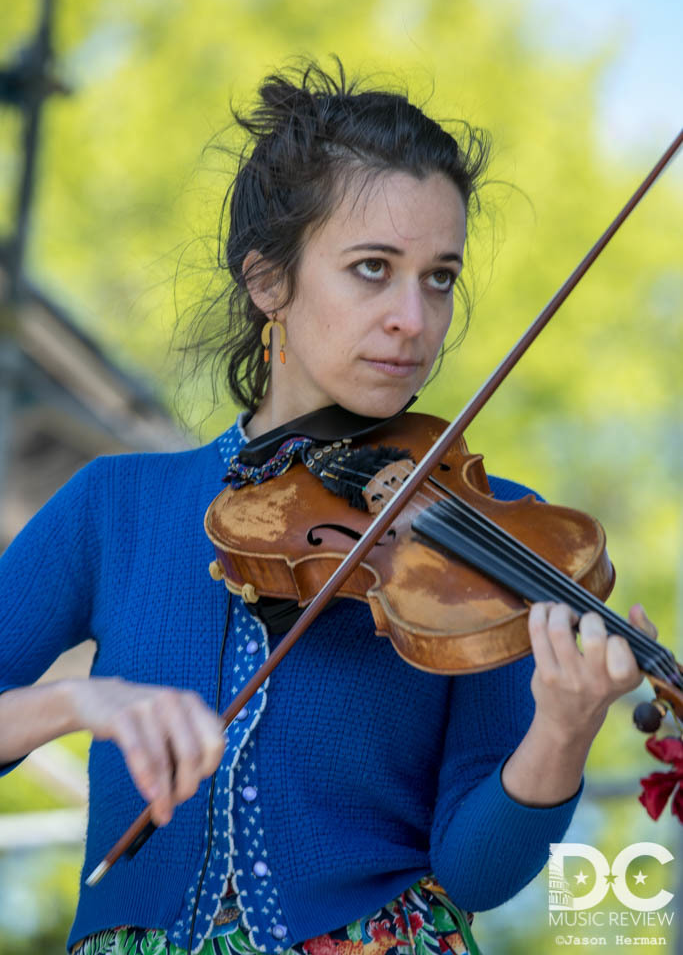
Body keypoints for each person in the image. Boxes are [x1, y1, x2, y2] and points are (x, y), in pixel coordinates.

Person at [0, 59, 656, 955]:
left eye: (437, 278)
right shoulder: (117, 508)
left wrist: (564, 729)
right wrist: (81, 701)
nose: (412, 319)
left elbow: (477, 874)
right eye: (372, 270)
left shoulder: (498, 535)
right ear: (268, 281)